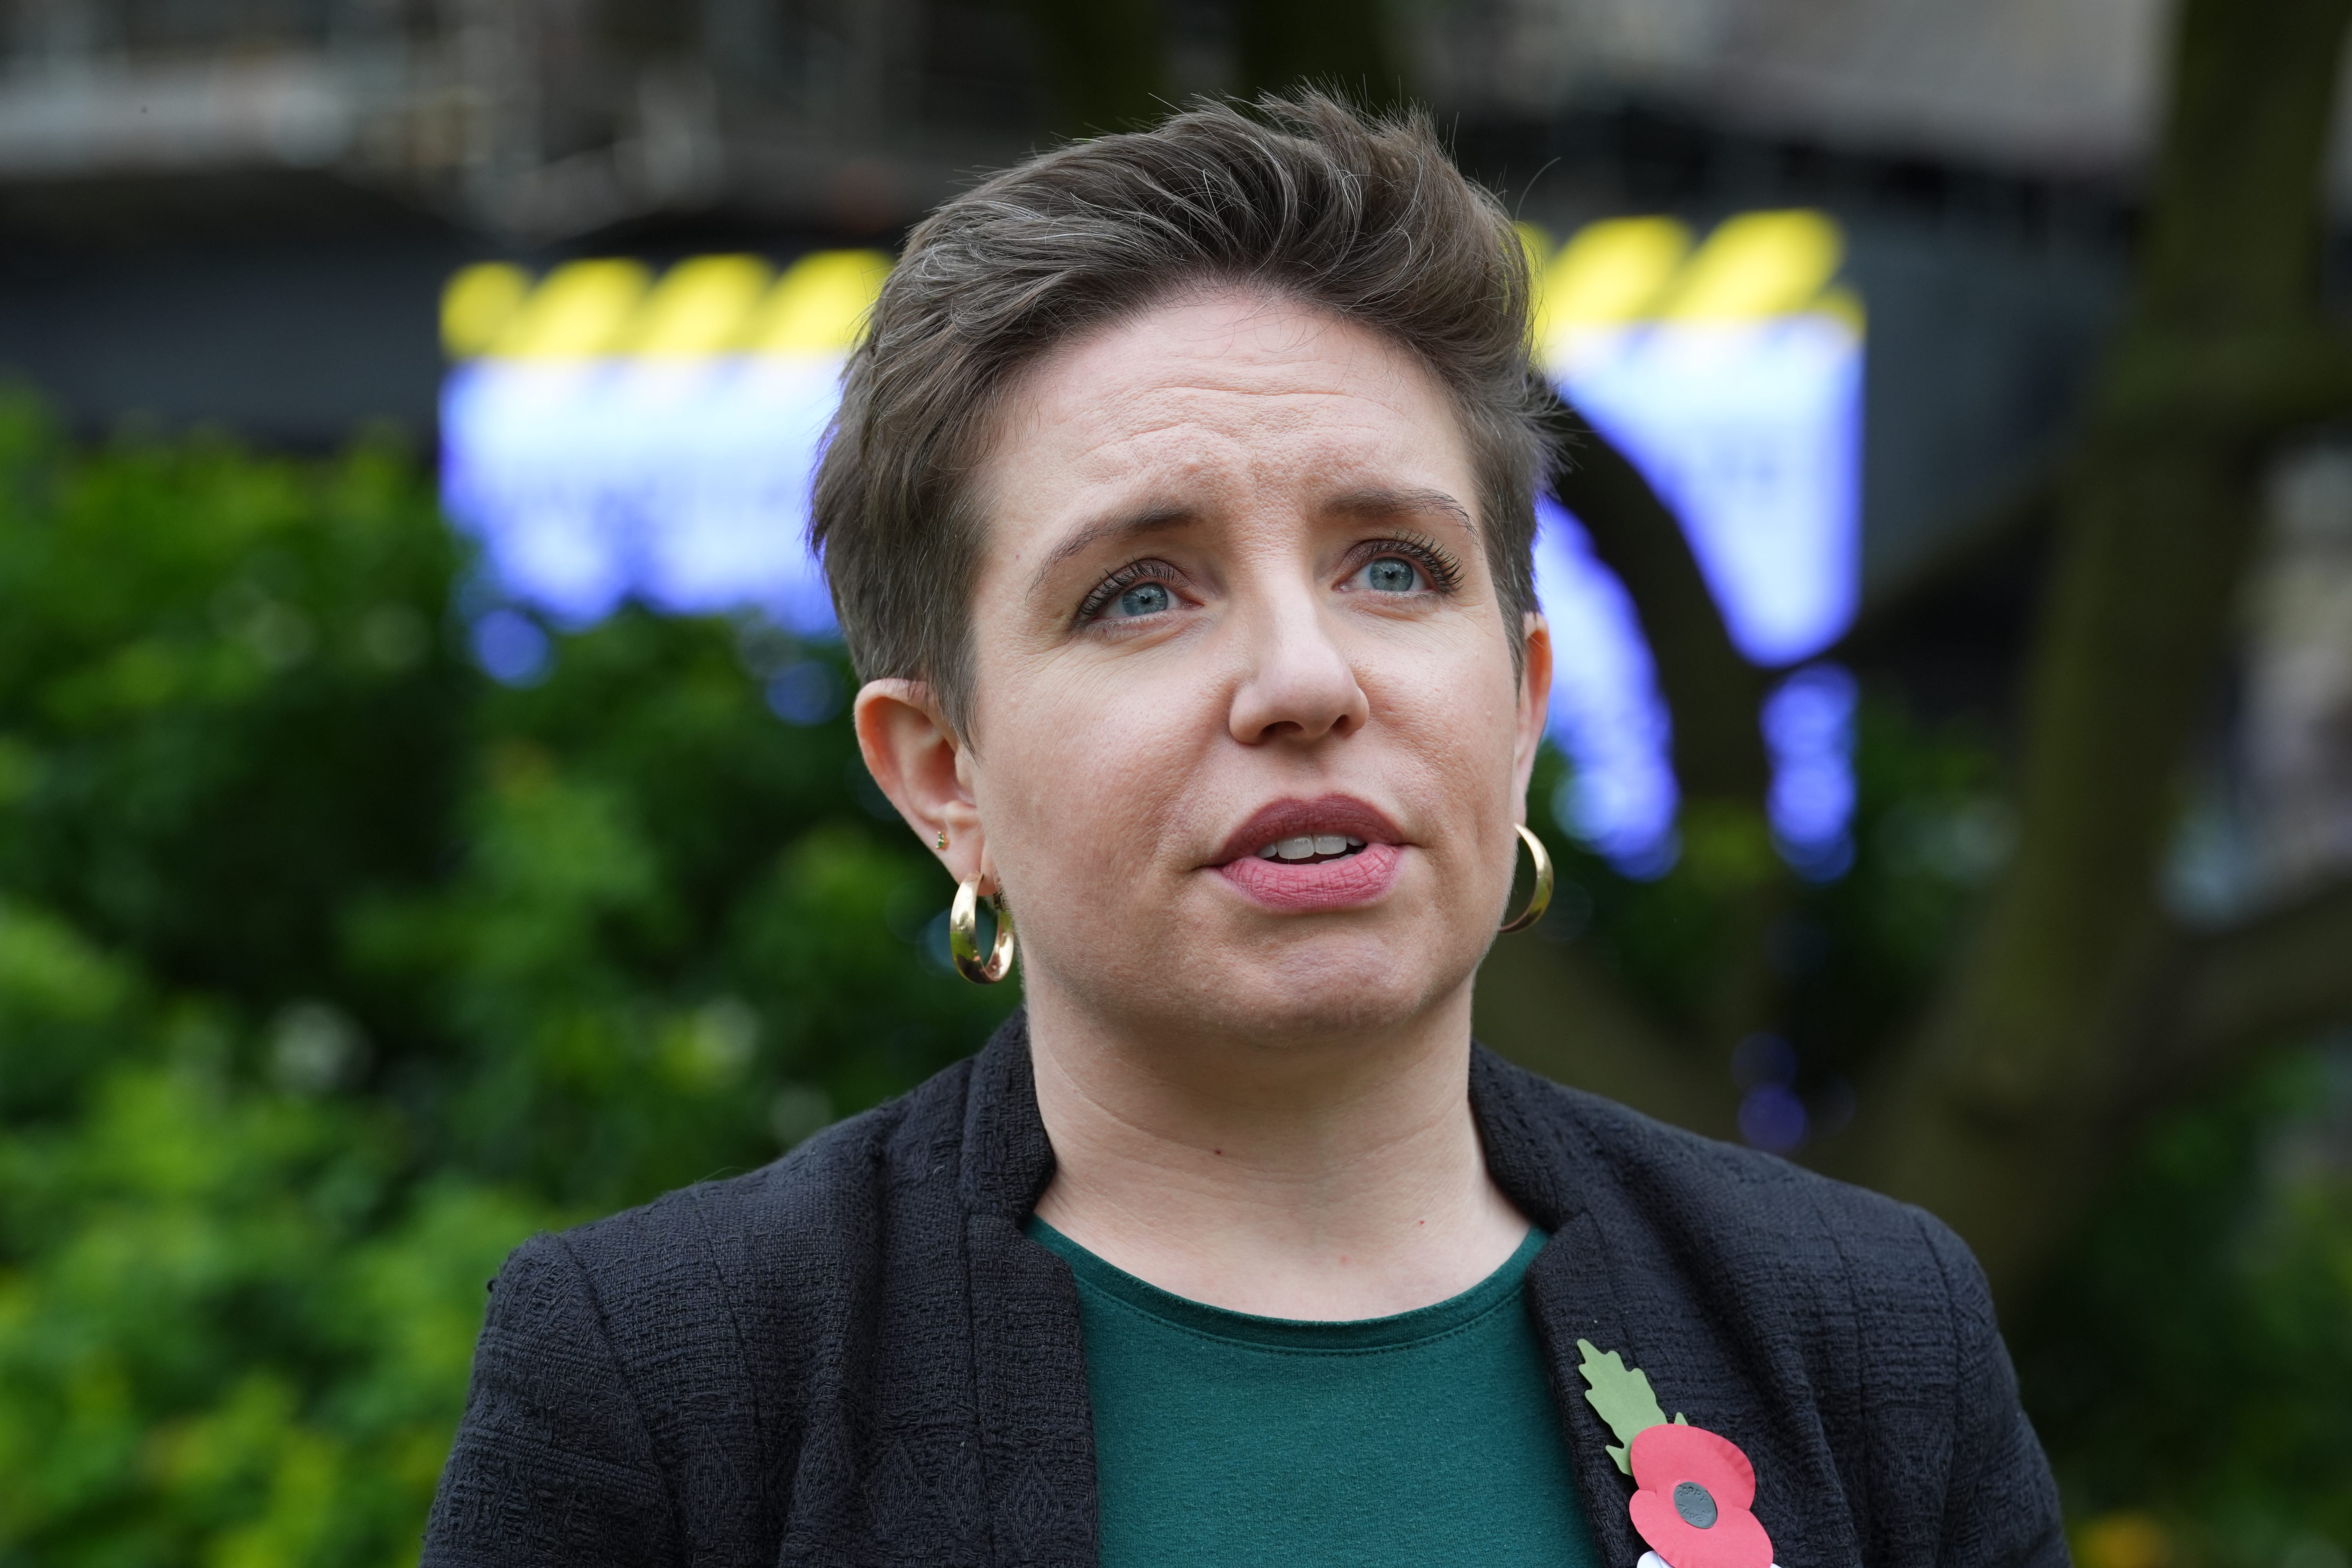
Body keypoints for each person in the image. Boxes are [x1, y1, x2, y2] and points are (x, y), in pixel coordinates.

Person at [421, 96, 2066, 1568]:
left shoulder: (1865, 1336)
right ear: (942, 773)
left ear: (1519, 695)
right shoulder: (671, 1379)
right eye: (1142, 592)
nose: (1304, 677)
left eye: (1395, 568)